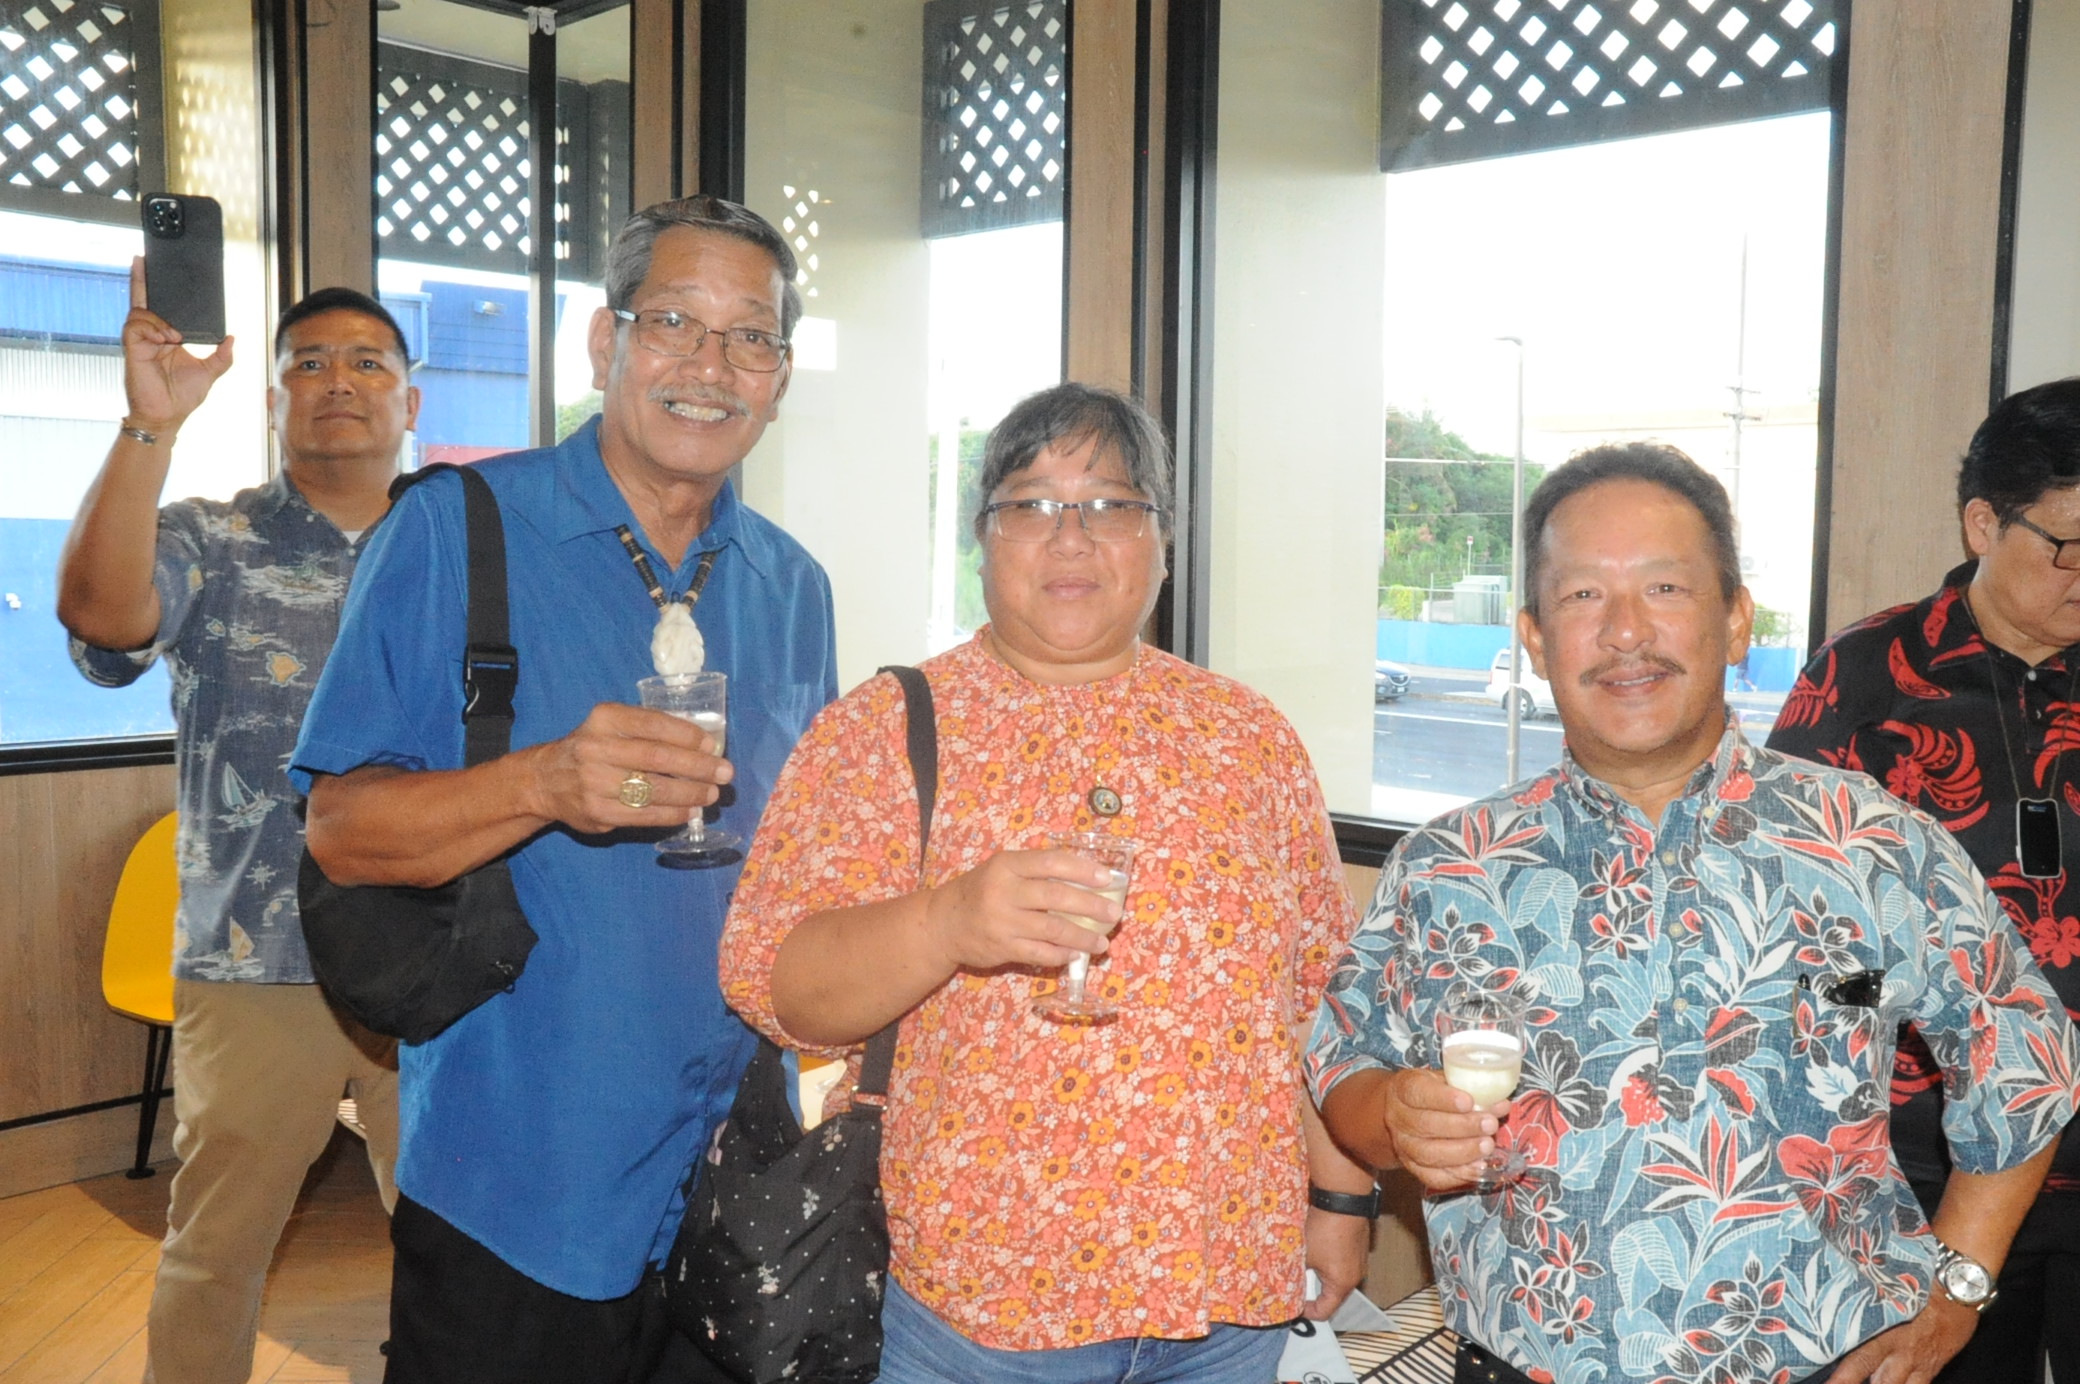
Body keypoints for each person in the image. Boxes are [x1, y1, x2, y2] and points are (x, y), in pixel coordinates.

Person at [1308, 441, 2080, 1384]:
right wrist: (1391, 1115)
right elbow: (1346, 1061)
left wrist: (1956, 1286)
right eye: (1583, 595)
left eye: (1666, 590)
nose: (1626, 632)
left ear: (1736, 618)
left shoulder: (1872, 845)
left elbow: (2026, 1054)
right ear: (1536, 637)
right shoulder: (1448, 866)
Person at [719, 382, 1376, 1383]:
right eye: (1030, 504)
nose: (1071, 540)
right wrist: (945, 923)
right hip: (981, 1306)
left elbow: (1315, 1001)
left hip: (1227, 1295)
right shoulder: (884, 729)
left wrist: (1338, 1200)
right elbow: (776, 983)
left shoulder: (1249, 739)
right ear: (983, 537)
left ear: (1161, 539)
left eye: (1111, 505)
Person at [289, 196, 837, 1384]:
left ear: (781, 377)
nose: (712, 364)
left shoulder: (794, 586)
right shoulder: (456, 529)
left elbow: (806, 864)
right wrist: (544, 780)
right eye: (676, 323)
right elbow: (338, 831)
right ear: (604, 344)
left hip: (731, 1169)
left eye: (752, 336)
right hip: (521, 1173)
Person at [55, 273, 414, 1384]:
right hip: (257, 957)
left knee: (460, 1249)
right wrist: (151, 423)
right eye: (308, 362)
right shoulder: (212, 536)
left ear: (411, 399)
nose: (337, 381)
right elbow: (103, 615)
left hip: (438, 958)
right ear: (273, 400)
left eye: (367, 362)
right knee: (214, 1253)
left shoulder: (460, 550)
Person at [1768, 377, 2080, 1382]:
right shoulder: (1866, 682)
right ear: (1981, 521)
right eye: (2068, 545)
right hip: (1932, 1177)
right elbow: (1792, 935)